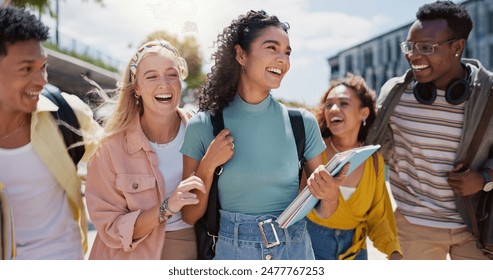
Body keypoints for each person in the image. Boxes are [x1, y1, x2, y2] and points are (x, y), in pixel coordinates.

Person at [180, 10, 346, 260]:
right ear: (240, 55)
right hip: (232, 255)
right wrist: (207, 167)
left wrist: (331, 193)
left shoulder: (302, 123)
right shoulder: (204, 126)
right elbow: (189, 216)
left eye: (287, 52)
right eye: (272, 48)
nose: (283, 60)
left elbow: (325, 210)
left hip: (295, 252)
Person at [366, 1, 492, 260]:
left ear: (457, 47)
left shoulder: (489, 94)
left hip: (475, 225)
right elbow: (367, 143)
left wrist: (485, 178)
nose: (413, 55)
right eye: (409, 47)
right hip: (413, 226)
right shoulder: (395, 93)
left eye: (425, 48)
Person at [85, 40, 206, 260]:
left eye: (172, 74)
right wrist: (167, 207)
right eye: (151, 76)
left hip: (188, 250)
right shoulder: (110, 150)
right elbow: (111, 228)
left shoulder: (203, 132)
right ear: (137, 88)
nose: (164, 84)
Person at [0, 6, 102, 259]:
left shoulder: (67, 113)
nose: (42, 80)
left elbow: (122, 156)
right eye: (27, 69)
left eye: (43, 66)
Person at [304, 73, 402, 260]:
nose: (333, 109)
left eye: (343, 103)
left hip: (356, 252)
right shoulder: (313, 150)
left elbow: (379, 218)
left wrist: (394, 251)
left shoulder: (374, 162)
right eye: (329, 104)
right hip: (311, 246)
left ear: (363, 113)